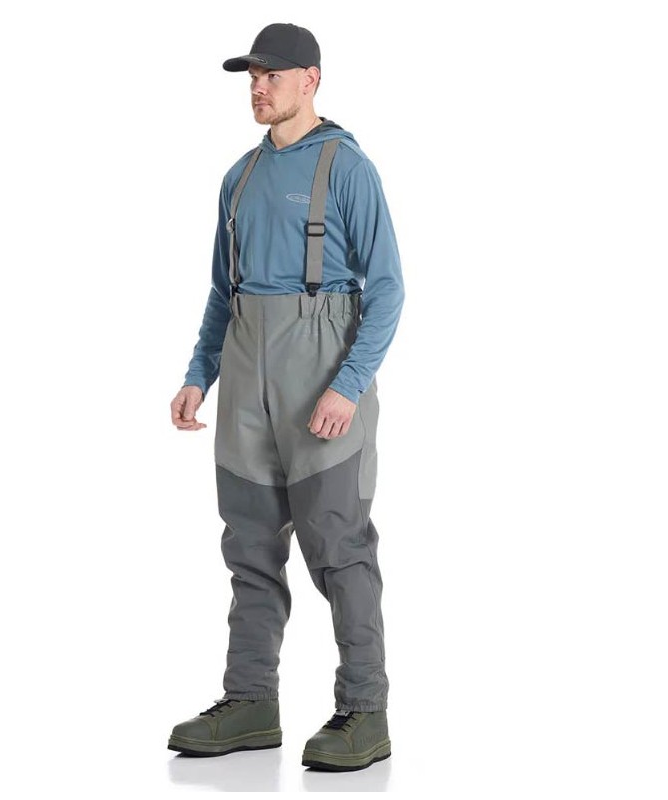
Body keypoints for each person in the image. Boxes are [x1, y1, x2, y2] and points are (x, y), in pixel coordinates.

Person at [167, 22, 405, 772]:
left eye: (272, 75)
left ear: (312, 79)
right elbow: (223, 291)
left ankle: (364, 712)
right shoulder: (237, 178)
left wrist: (348, 385)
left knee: (338, 545)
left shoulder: (348, 168)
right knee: (249, 546)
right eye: (252, 77)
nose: (259, 87)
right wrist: (198, 374)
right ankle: (250, 702)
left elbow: (388, 290)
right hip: (245, 371)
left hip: (321, 366)